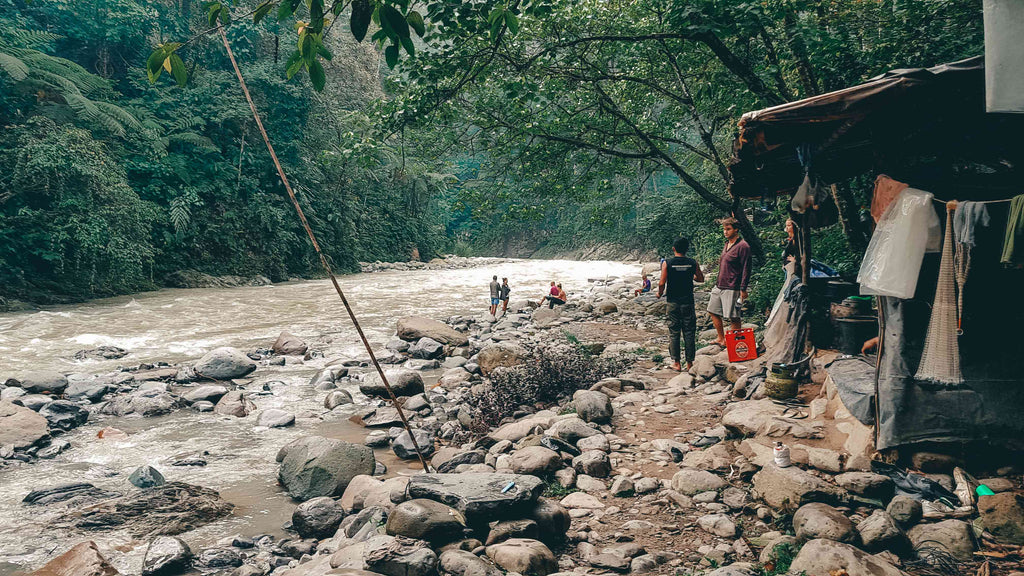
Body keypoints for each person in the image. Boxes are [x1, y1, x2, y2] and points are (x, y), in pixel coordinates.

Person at [658, 237, 704, 371]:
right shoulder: (692, 262)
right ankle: (690, 363)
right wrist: (692, 276)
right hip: (688, 301)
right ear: (687, 249)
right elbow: (700, 279)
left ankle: (676, 363)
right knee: (689, 331)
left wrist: (659, 293)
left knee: (674, 331)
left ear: (673, 249)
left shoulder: (668, 263)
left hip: (673, 301)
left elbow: (662, 282)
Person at [709, 217, 752, 346]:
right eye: (724, 229)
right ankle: (721, 338)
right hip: (720, 284)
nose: (725, 232)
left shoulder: (743, 246)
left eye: (728, 229)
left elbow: (746, 268)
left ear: (736, 229)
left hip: (733, 286)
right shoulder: (727, 244)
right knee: (712, 310)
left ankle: (734, 343)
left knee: (734, 316)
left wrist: (743, 289)